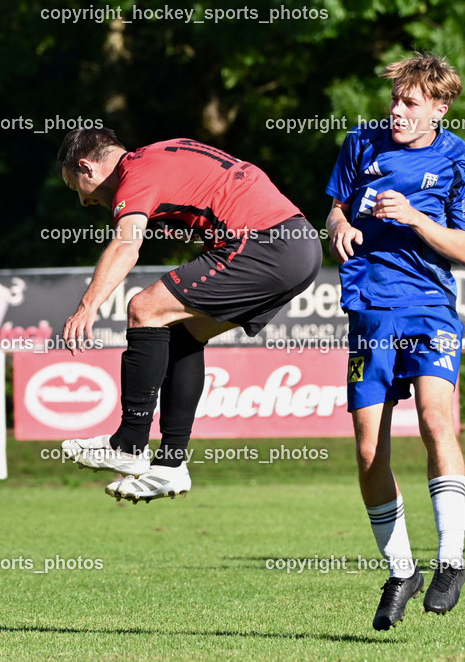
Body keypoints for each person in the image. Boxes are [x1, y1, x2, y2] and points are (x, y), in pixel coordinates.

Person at [56, 129, 321, 502]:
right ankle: (170, 466)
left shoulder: (138, 172)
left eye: (76, 188)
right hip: (301, 245)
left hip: (266, 243)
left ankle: (128, 444)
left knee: (143, 308)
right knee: (183, 333)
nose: (84, 201)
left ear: (87, 167)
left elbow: (128, 244)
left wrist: (88, 306)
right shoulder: (160, 151)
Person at [325, 52, 465, 629]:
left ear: (439, 109)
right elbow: (336, 206)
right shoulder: (362, 142)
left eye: (410, 103)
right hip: (369, 311)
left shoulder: (459, 161)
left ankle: (451, 561)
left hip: (429, 310)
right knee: (368, 450)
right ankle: (401, 570)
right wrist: (339, 225)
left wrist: (416, 217)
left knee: (437, 423)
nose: (397, 110)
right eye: (395, 100)